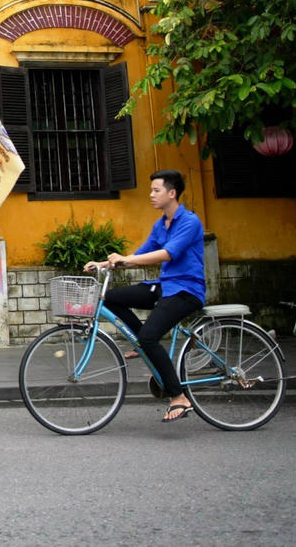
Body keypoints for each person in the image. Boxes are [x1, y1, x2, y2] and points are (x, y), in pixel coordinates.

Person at [85, 169, 205, 424]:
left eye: (156, 190)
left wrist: (127, 258)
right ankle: (144, 344)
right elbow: (136, 258)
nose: (150, 195)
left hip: (186, 290)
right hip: (164, 286)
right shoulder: (160, 224)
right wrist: (103, 264)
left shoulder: (189, 222)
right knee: (112, 298)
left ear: (172, 193)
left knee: (150, 337)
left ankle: (179, 397)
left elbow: (167, 254)